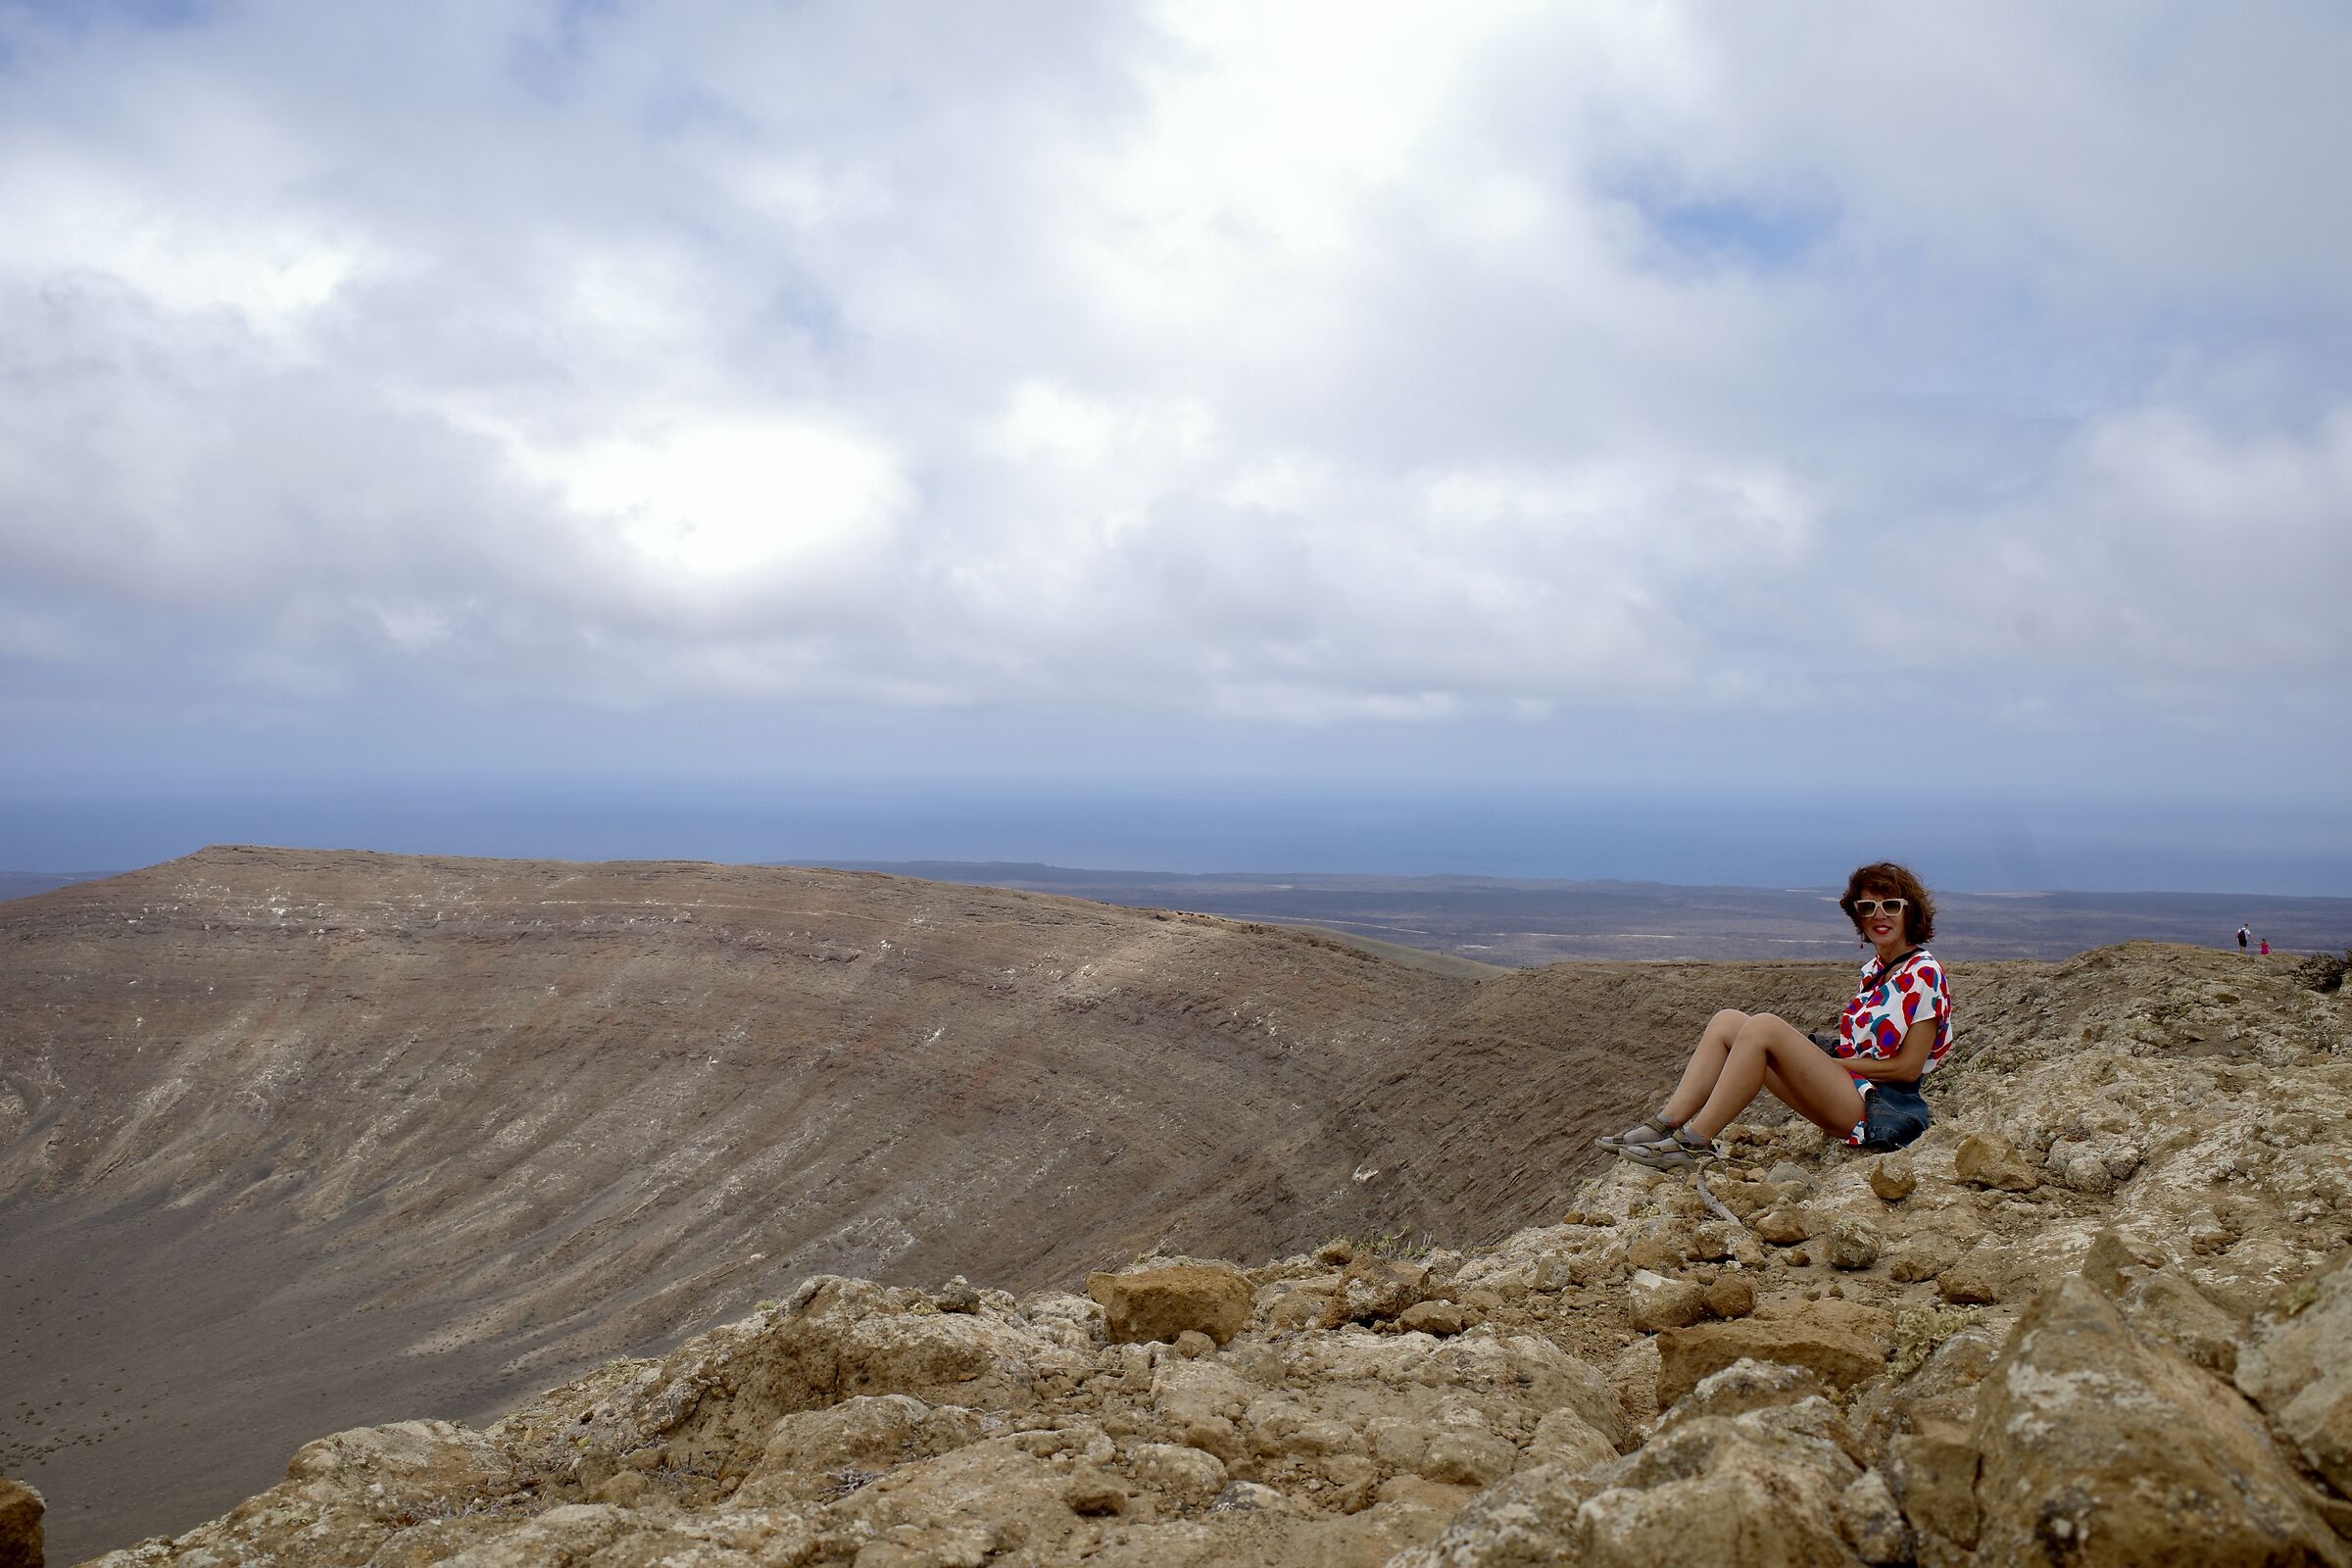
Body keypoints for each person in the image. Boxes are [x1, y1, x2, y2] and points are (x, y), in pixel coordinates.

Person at [1598, 861, 1955, 1165]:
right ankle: (1663, 1125)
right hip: (1848, 1091)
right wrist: (1827, 1064)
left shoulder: (1922, 973)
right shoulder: (1876, 971)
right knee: (1728, 1022)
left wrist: (1829, 1065)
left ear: (1909, 912)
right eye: (1868, 907)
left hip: (1880, 1109)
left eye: (1891, 906)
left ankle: (1695, 1142)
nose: (1879, 916)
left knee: (1765, 1027)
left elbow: (1907, 1069)